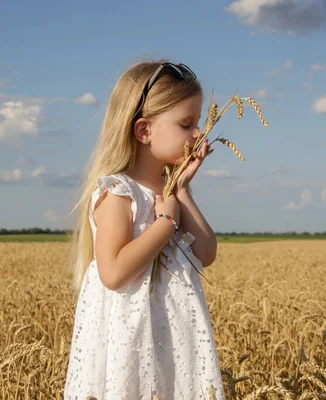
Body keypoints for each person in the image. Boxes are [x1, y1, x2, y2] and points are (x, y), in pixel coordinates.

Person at [63, 59, 225, 399]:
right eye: (186, 124)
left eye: (197, 123)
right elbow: (113, 272)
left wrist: (180, 189)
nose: (198, 135)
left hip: (172, 336)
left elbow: (206, 254)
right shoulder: (119, 192)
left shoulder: (170, 194)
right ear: (144, 131)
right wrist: (164, 224)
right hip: (130, 338)